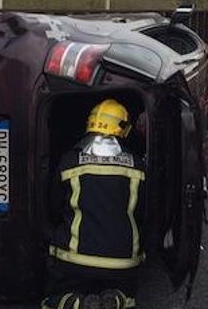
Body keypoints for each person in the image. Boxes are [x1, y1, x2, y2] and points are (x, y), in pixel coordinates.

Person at [43, 99, 146, 309]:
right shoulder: (138, 165)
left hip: (74, 260)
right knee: (128, 295)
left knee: (51, 299)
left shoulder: (69, 161)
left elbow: (54, 208)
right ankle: (117, 299)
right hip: (123, 263)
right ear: (123, 128)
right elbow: (146, 213)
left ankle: (74, 302)